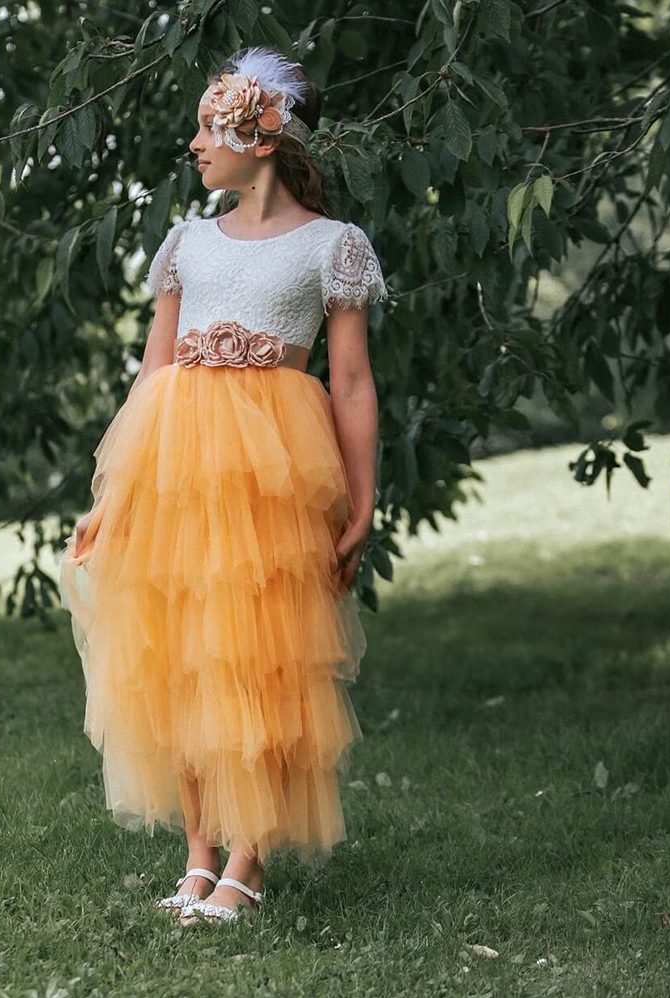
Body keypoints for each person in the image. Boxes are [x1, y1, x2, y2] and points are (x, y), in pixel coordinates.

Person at [58, 45, 390, 926]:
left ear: (264, 137)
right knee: (182, 656)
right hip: (177, 466)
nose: (196, 143)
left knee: (258, 656)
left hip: (272, 473)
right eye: (200, 126)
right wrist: (111, 496)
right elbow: (152, 372)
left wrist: (364, 498)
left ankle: (248, 858)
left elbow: (351, 383)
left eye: (213, 127)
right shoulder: (187, 242)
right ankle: (199, 857)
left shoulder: (333, 247)